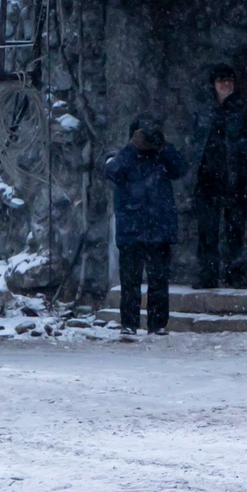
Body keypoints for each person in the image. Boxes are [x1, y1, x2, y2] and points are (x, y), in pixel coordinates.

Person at [104, 119, 188, 338]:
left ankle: (157, 324)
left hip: (159, 227)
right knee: (130, 280)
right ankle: (129, 324)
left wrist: (164, 146)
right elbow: (110, 171)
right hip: (132, 228)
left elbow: (180, 168)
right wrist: (132, 147)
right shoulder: (123, 156)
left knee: (159, 279)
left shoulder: (162, 158)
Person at [190, 64, 247, 289]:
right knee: (207, 230)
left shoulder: (244, 109)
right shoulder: (204, 109)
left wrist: (243, 152)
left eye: (229, 79)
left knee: (235, 229)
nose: (226, 84)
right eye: (221, 80)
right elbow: (196, 138)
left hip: (235, 177)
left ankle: (235, 273)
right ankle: (209, 274)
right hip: (207, 178)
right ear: (213, 84)